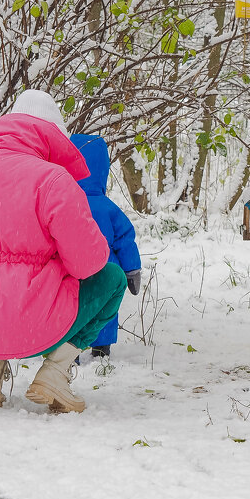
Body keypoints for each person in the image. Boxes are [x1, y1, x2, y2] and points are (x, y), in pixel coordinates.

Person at [0, 90, 126, 413]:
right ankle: (55, 373)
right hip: (32, 327)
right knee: (111, 278)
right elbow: (89, 264)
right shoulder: (53, 180)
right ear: (52, 137)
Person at [69, 133, 142, 358]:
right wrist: (132, 271)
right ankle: (102, 347)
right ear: (103, 170)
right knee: (103, 306)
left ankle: (69, 347)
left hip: (70, 268)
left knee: (73, 307)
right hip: (105, 267)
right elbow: (125, 239)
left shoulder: (64, 202)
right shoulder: (108, 208)